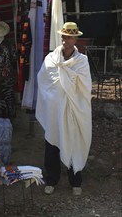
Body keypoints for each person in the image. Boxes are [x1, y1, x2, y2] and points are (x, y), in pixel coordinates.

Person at [36, 22, 92, 195]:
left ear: (76, 39)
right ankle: (51, 179)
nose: (65, 39)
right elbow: (43, 81)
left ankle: (75, 181)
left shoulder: (82, 61)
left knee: (73, 142)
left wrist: (71, 96)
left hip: (73, 110)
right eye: (63, 36)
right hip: (54, 109)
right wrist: (53, 99)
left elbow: (85, 87)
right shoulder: (51, 59)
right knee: (52, 144)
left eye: (69, 36)